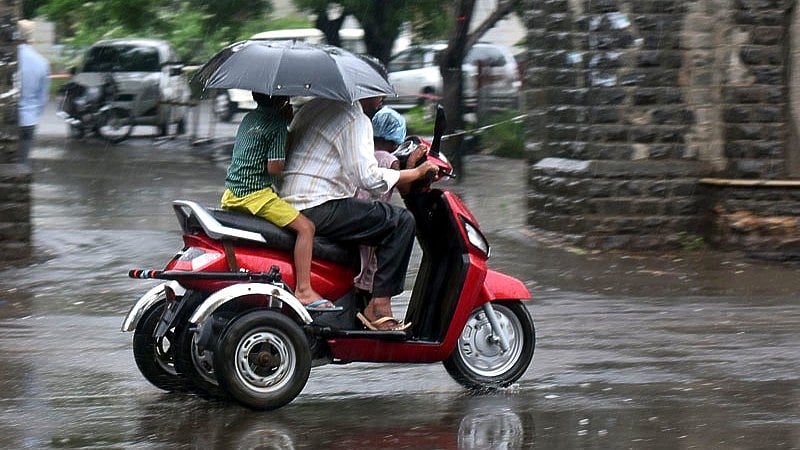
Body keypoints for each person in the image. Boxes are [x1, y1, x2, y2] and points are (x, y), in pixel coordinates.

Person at [281, 96, 438, 331]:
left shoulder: (311, 106)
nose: (382, 97)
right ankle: (379, 307)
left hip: (291, 202)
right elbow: (369, 178)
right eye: (379, 91)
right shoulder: (354, 117)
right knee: (401, 221)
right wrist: (416, 173)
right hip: (317, 204)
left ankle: (357, 298)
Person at [221, 92, 334, 311]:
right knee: (306, 228)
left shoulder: (249, 118)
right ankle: (304, 290)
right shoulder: (277, 124)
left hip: (233, 193)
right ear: (282, 101)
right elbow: (274, 167)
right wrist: (286, 129)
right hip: (256, 194)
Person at [353, 106, 406, 294]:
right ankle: (370, 293)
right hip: (374, 216)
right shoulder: (391, 160)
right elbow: (404, 185)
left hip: (354, 211)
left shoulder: (363, 153)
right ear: (396, 140)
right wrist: (413, 165)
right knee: (374, 258)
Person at [17, 20, 50, 165]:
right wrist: (33, 113)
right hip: (28, 120)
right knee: (22, 164)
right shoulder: (42, 62)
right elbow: (42, 98)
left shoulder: (7, 60)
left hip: (5, 120)